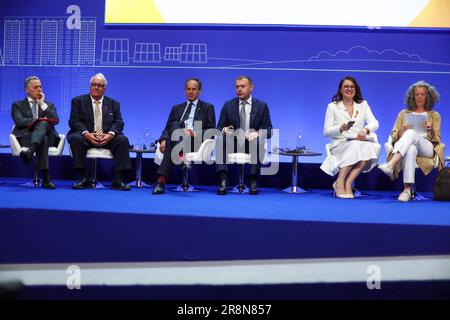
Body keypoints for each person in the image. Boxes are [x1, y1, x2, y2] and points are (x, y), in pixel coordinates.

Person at [378, 81, 444, 202]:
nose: (419, 97)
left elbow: (437, 139)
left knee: (412, 133)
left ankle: (390, 165)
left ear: (428, 96)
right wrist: (401, 131)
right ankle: (407, 189)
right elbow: (394, 135)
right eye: (417, 94)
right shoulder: (403, 114)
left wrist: (431, 130)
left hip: (427, 148)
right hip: (407, 146)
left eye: (423, 94)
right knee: (411, 148)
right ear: (412, 96)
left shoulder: (434, 115)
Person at [68, 73, 132, 191]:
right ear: (90, 86)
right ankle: (84, 178)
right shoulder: (78, 101)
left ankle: (118, 180)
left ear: (105, 88)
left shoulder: (114, 103)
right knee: (75, 139)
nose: (96, 87)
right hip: (86, 137)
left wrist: (109, 135)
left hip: (106, 137)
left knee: (122, 140)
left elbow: (119, 123)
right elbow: (74, 121)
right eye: (94, 84)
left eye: (100, 85)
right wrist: (86, 133)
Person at [152, 78, 216, 194]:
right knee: (175, 125)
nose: (190, 92)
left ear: (199, 91)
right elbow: (167, 128)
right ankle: (181, 153)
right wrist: (163, 140)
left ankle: (161, 181)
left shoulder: (208, 107)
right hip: (177, 140)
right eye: (188, 89)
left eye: (194, 89)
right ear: (185, 90)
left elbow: (211, 131)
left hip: (195, 142)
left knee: (173, 138)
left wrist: (193, 133)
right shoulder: (177, 108)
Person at [320, 76, 380, 198]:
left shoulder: (363, 105)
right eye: (346, 86)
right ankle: (339, 182)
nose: (349, 89)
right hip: (339, 144)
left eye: (352, 87)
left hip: (358, 142)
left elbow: (375, 123)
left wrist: (365, 129)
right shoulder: (333, 106)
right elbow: (326, 132)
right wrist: (340, 128)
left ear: (356, 89)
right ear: (341, 90)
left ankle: (348, 183)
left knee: (366, 148)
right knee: (357, 146)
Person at [216, 76, 273, 195]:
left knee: (257, 141)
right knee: (221, 140)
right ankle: (223, 181)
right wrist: (225, 129)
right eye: (237, 87)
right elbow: (219, 128)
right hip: (233, 143)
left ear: (251, 88)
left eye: (243, 86)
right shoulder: (228, 105)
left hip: (251, 144)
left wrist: (257, 133)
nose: (239, 89)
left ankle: (253, 181)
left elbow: (269, 130)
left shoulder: (261, 106)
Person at [11, 76, 60, 189]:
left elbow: (56, 120)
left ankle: (30, 152)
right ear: (27, 89)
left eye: (40, 86)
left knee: (43, 128)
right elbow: (19, 121)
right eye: (35, 87)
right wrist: (37, 122)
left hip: (47, 136)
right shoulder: (17, 105)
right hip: (26, 136)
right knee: (43, 132)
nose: (39, 89)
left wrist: (42, 104)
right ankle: (46, 179)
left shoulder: (49, 105)